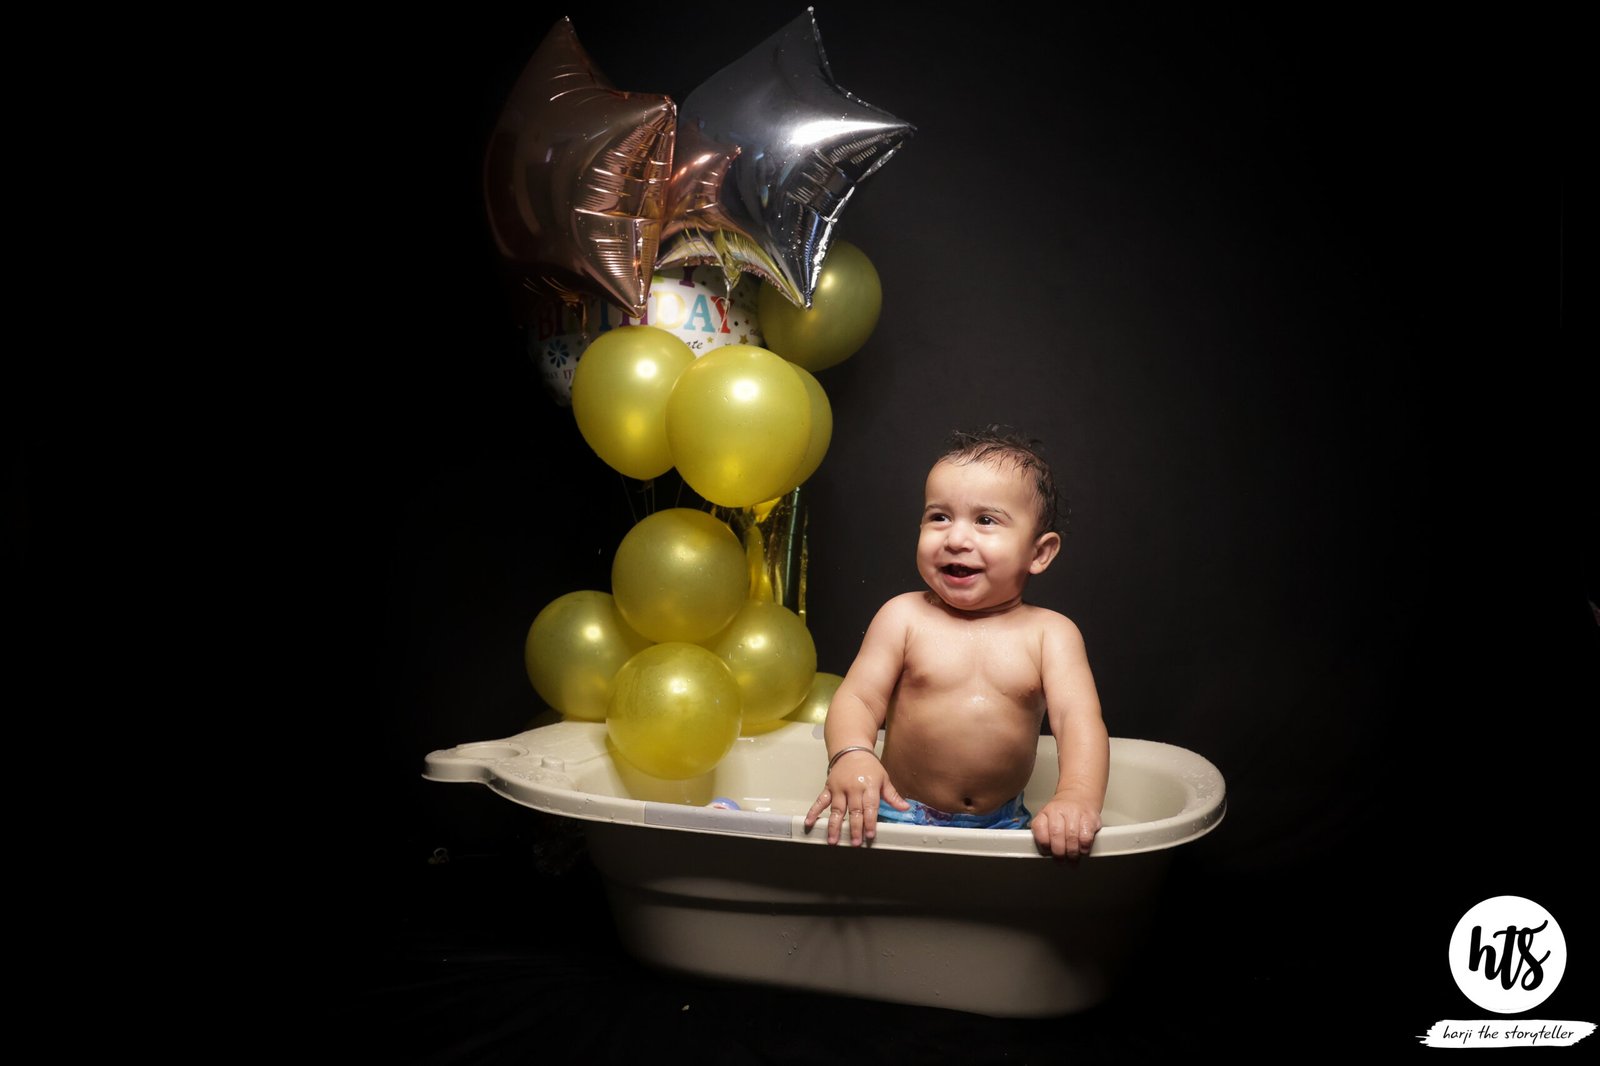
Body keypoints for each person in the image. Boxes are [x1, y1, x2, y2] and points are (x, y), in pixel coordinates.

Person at [803, 427, 1108, 859]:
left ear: (1038, 553)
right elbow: (859, 699)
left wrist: (1076, 796)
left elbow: (1077, 721)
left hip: (1005, 823)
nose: (956, 539)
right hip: (893, 812)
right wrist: (852, 754)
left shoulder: (1051, 635)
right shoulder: (903, 617)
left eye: (985, 521)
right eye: (939, 517)